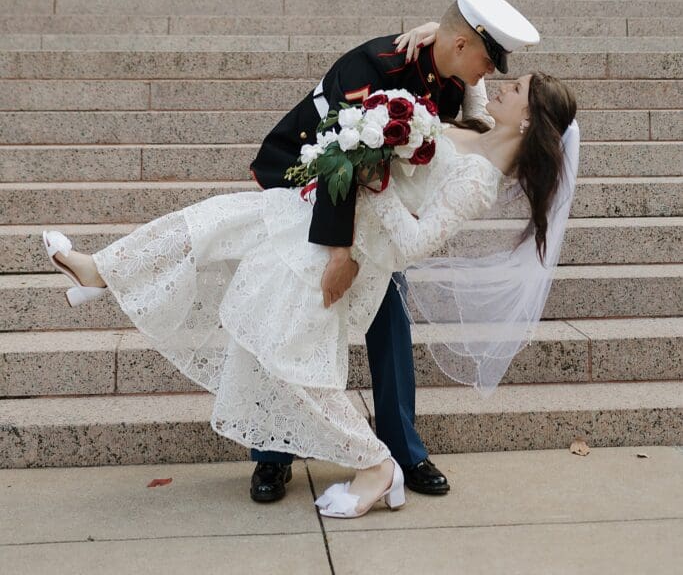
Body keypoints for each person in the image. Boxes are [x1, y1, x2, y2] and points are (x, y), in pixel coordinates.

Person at [42, 70, 578, 519]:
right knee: (213, 220)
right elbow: (471, 69)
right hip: (312, 216)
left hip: (345, 256)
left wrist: (376, 182)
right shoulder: (482, 124)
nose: (502, 86)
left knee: (295, 365)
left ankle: (377, 463)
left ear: (528, 119)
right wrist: (435, 39)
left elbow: (414, 244)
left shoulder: (480, 182)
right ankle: (103, 271)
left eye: (517, 88)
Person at [245, 0, 539, 502]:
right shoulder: (374, 67)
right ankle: (272, 453)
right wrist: (339, 254)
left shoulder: (448, 75)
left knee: (389, 313)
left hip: (370, 204)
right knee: (292, 318)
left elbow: (473, 118)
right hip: (304, 183)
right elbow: (340, 162)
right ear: (464, 44)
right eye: (488, 59)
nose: (490, 74)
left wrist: (438, 39)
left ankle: (405, 450)